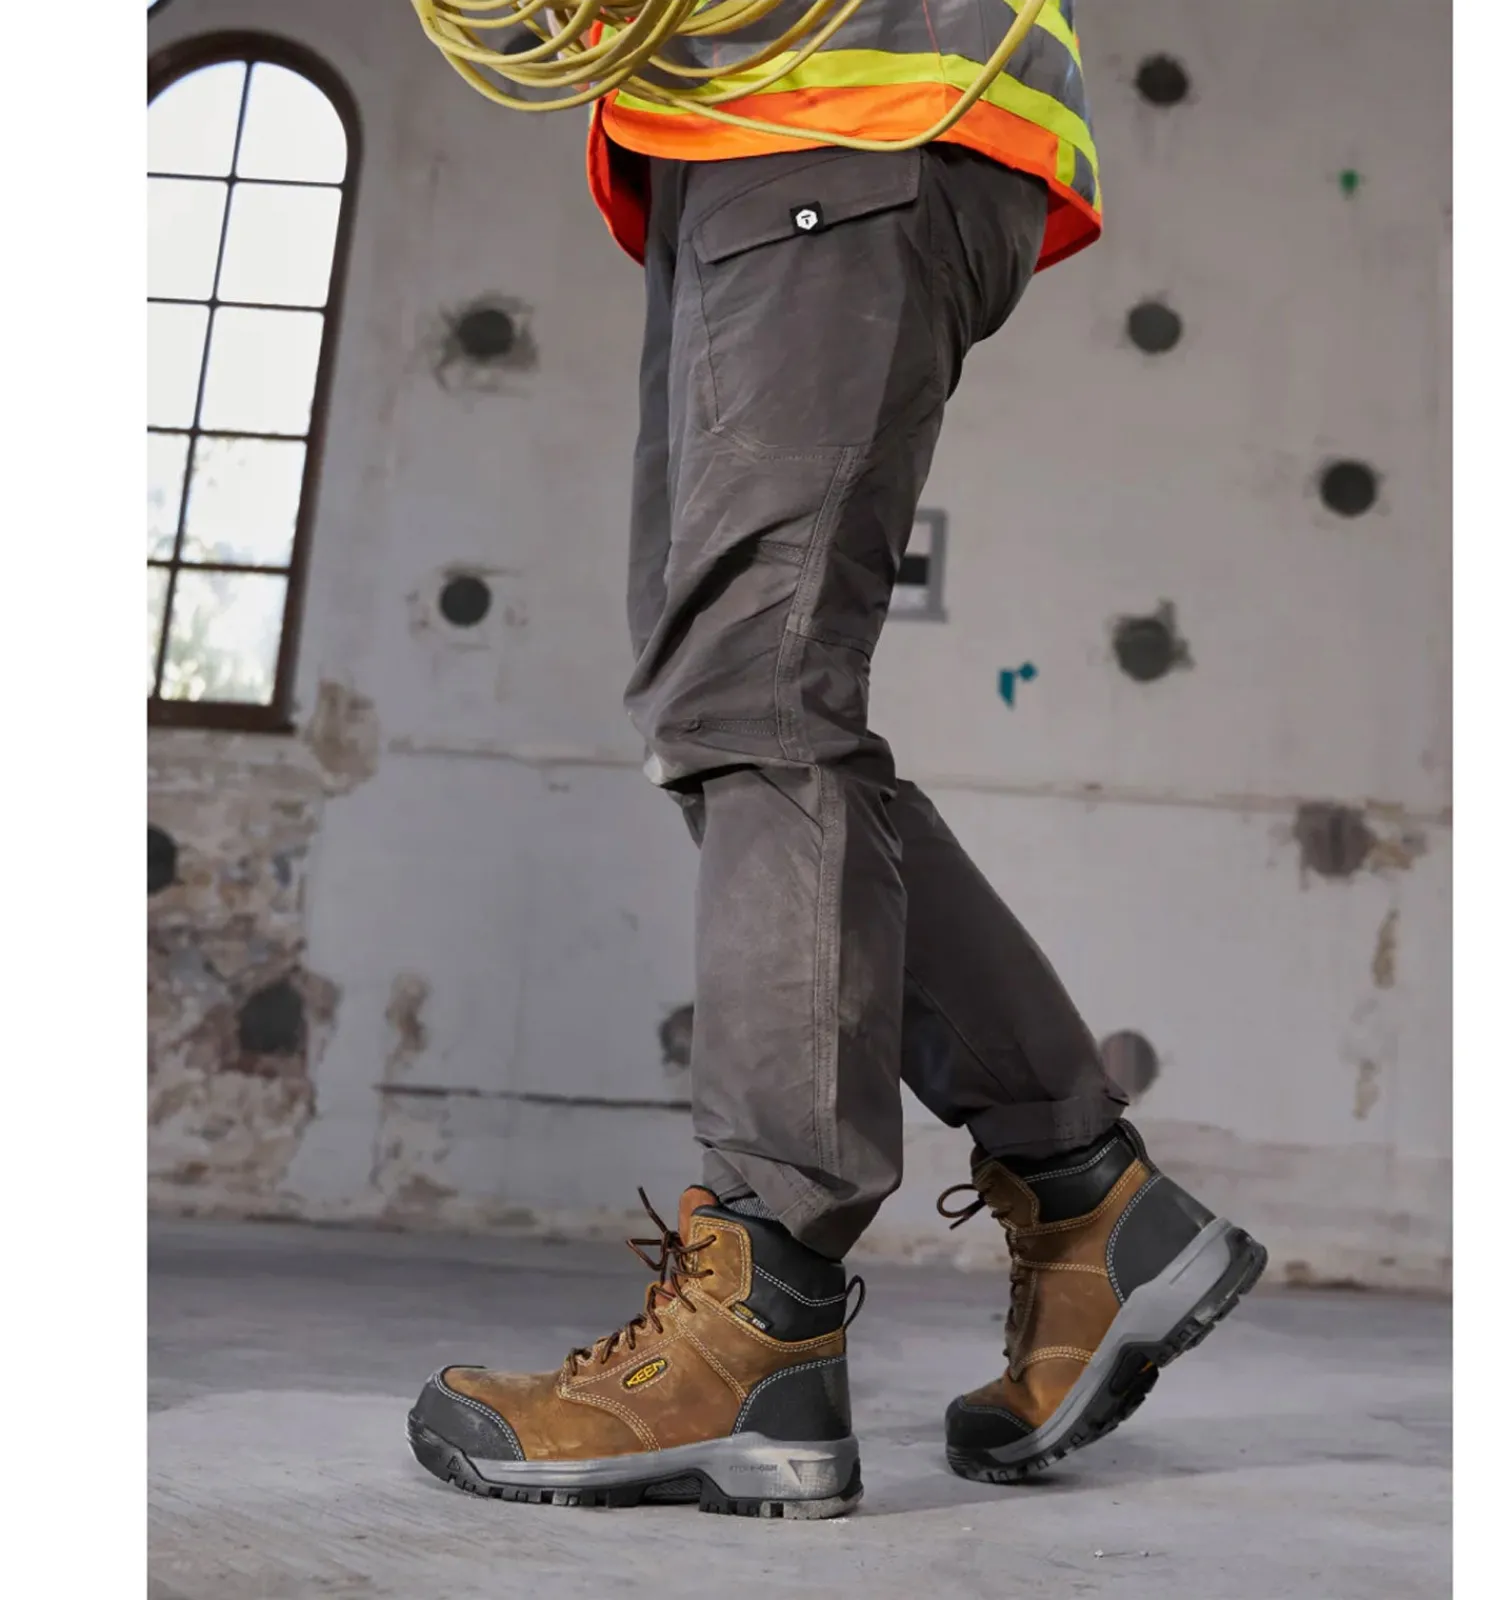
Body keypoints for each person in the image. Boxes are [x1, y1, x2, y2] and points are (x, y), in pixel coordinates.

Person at [408, 1, 1266, 1517]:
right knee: (731, 702)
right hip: (736, 131)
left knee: (757, 700)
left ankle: (764, 1318)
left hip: (842, 107)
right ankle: (1087, 1197)